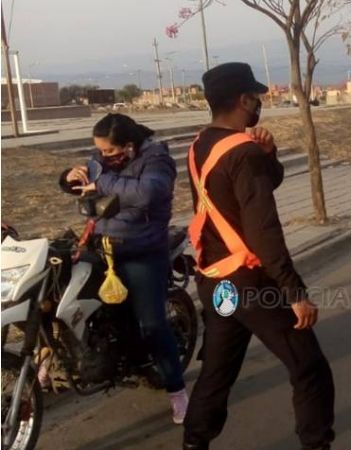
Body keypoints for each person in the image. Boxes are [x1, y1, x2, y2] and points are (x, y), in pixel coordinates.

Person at [182, 62, 335, 450]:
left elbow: (251, 190)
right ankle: (316, 444)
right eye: (257, 97)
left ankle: (193, 443)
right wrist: (294, 292)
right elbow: (263, 230)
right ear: (244, 99)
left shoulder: (201, 144)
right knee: (308, 368)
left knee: (217, 373)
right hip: (252, 284)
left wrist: (268, 154)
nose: (259, 104)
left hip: (216, 281)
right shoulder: (242, 153)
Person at [59, 113, 188, 423]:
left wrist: (100, 180)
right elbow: (83, 185)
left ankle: (177, 391)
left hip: (142, 251)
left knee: (153, 325)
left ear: (129, 145)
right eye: (99, 152)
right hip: (102, 248)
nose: (102, 157)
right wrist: (69, 179)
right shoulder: (102, 160)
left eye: (109, 152)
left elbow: (148, 193)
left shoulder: (157, 160)